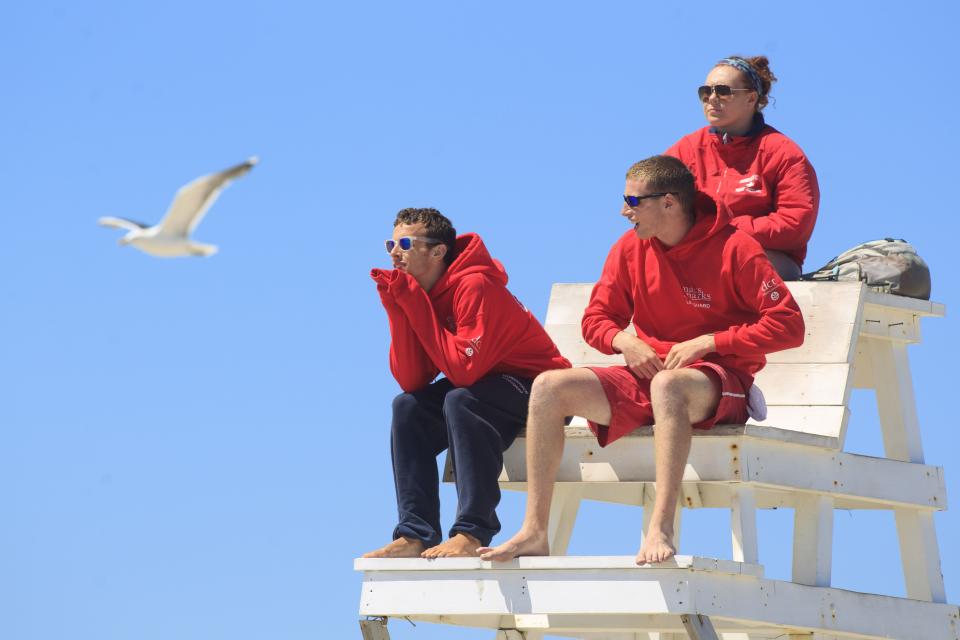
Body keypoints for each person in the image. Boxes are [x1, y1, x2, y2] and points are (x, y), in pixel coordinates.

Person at [479, 156, 805, 564]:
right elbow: (595, 320)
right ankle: (533, 531)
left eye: (632, 200)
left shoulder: (735, 247)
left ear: (669, 202)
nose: (623, 211)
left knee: (669, 385)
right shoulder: (629, 248)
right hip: (650, 378)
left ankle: (661, 528)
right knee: (549, 386)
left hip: (721, 383)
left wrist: (710, 342)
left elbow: (790, 326)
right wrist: (623, 341)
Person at [363, 208, 571, 559]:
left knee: (461, 399)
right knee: (408, 407)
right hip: (485, 383)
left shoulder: (475, 284)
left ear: (437, 251)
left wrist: (413, 303)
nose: (394, 253)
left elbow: (463, 372)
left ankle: (472, 532)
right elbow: (411, 379)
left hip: (539, 389)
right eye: (390, 244)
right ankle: (415, 533)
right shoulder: (422, 293)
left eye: (405, 243)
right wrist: (399, 307)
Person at [666, 55, 819, 280]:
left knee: (723, 259)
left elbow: (794, 226)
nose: (712, 98)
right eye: (705, 92)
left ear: (751, 98)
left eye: (723, 91)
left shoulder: (784, 154)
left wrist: (722, 229)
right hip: (695, 257)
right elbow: (653, 204)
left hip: (764, 261)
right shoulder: (685, 150)